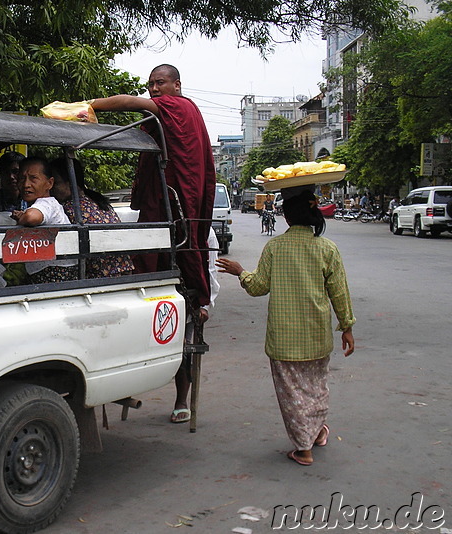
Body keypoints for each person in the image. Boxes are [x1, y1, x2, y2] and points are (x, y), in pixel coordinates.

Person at [216, 186, 356, 466]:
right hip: (317, 335)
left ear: (287, 217)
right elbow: (339, 292)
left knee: (292, 393)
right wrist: (347, 327)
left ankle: (303, 447)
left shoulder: (275, 248)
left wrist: (240, 271)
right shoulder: (327, 249)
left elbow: (258, 287)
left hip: (284, 339)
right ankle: (316, 432)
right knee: (317, 386)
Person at [90, 64, 216, 308]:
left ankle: (171, 294)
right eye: (151, 84)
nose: (154, 89)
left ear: (176, 85)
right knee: (178, 243)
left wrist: (89, 105)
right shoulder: (183, 109)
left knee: (166, 242)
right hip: (176, 188)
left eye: (160, 83)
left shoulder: (176, 105)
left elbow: (130, 103)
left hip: (174, 191)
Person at [50, 157, 133, 278]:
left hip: (99, 277)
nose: (51, 188)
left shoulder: (69, 208)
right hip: (124, 271)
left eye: (55, 183)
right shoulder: (97, 200)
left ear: (70, 183)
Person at [171, 226, 220, 423]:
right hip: (160, 293)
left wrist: (205, 304)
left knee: (185, 351)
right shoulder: (159, 219)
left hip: (189, 297)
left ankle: (181, 401)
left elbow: (211, 269)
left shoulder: (205, 230)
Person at [11, 157, 77, 284]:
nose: (26, 184)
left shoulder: (47, 203)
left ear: (49, 183)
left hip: (53, 273)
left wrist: (22, 218)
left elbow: (31, 217)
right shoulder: (48, 204)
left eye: (33, 178)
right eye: (22, 179)